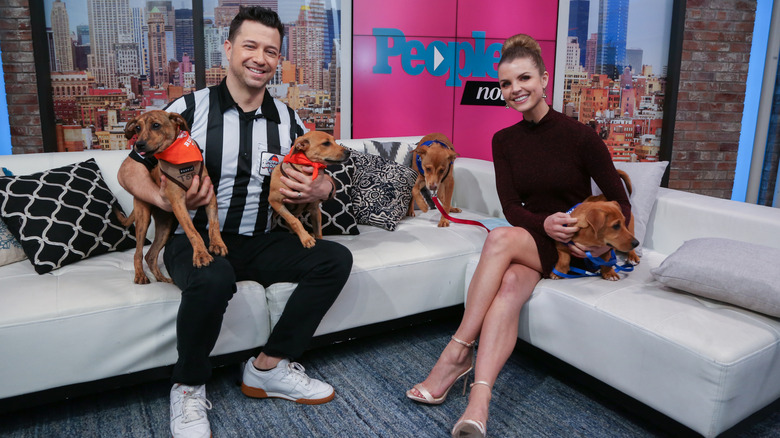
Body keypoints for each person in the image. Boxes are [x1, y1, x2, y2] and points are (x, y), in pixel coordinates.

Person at [117, 7, 352, 438]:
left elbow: (322, 169)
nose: (260, 57)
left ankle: (269, 365)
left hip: (261, 237)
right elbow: (129, 170)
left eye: (271, 50)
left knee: (334, 259)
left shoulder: (290, 119)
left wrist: (325, 190)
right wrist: (168, 200)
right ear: (228, 49)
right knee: (211, 276)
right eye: (250, 46)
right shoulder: (188, 108)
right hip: (199, 238)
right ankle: (188, 386)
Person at [405, 34, 631, 438]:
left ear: (544, 79)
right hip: (537, 237)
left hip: (574, 247)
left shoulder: (580, 136)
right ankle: (479, 403)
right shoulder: (503, 141)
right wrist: (542, 224)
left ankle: (456, 352)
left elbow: (620, 201)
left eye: (524, 78)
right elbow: (510, 207)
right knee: (508, 283)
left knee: (498, 240)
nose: (515, 90)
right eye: (507, 84)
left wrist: (594, 242)